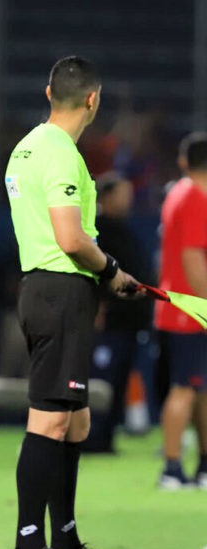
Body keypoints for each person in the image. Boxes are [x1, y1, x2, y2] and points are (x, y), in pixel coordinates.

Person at [4, 56, 141, 549]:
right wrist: (111, 272)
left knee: (76, 419)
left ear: (48, 92)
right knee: (51, 419)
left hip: (48, 289)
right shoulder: (62, 154)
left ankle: (65, 543)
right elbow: (69, 239)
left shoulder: (26, 146)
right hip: (60, 289)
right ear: (93, 100)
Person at [86, 172, 153, 453]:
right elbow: (93, 272)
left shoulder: (124, 229)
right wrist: (98, 305)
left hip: (130, 320)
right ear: (107, 197)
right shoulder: (95, 229)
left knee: (120, 380)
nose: (129, 199)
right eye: (123, 193)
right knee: (101, 381)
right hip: (108, 320)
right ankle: (90, 438)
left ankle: (107, 439)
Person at [155, 132, 207, 489]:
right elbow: (193, 259)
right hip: (189, 309)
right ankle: (172, 468)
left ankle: (203, 465)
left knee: (200, 390)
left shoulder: (180, 193)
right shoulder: (193, 198)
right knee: (183, 389)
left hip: (182, 307)